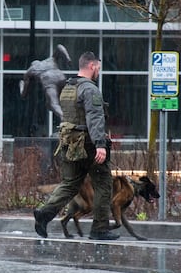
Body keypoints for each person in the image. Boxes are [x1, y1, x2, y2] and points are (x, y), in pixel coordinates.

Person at [33, 51, 118, 241]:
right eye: (98, 68)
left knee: (70, 184)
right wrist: (100, 145)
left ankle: (44, 214)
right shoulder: (90, 89)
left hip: (69, 142)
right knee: (103, 184)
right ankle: (100, 228)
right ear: (92, 66)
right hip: (88, 143)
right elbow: (94, 118)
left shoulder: (69, 87)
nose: (98, 71)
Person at [19, 44, 71, 120]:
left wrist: (21, 85)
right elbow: (59, 47)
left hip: (49, 81)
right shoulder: (50, 60)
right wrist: (67, 58)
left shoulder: (31, 69)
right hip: (61, 77)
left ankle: (63, 117)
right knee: (51, 103)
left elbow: (24, 94)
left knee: (53, 104)